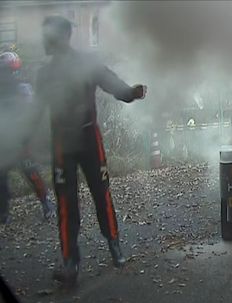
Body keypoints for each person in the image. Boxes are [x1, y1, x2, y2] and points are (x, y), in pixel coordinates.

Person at [33, 16, 147, 287]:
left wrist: (131, 92)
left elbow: (111, 82)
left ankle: (114, 244)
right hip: (61, 141)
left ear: (59, 37)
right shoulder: (45, 73)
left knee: (101, 192)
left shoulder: (87, 63)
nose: (43, 41)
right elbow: (35, 111)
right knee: (65, 202)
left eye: (46, 36)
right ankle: (70, 261)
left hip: (88, 137)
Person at [0, 51, 55, 224]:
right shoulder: (22, 88)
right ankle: (5, 212)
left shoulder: (22, 89)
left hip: (17, 138)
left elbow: (33, 113)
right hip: (10, 139)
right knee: (17, 174)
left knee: (28, 172)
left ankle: (45, 203)